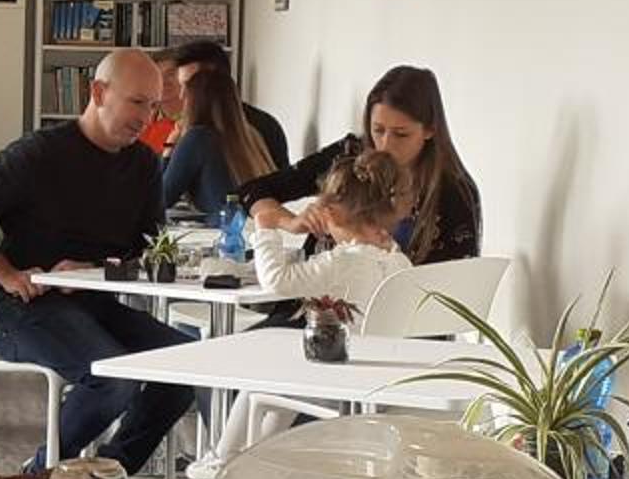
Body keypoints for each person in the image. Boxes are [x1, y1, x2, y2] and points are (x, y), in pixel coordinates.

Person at [0, 48, 197, 476]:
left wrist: (94, 271)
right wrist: (7, 274)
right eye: (137, 102)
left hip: (97, 306)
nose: (146, 118)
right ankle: (41, 475)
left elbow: (147, 251)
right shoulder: (38, 154)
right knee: (113, 380)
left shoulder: (144, 165)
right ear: (98, 93)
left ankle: (103, 475)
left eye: (153, 106)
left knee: (185, 366)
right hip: (25, 309)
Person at [238, 64, 480, 264]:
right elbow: (251, 191)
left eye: (401, 134)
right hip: (318, 300)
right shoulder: (349, 157)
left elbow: (456, 285)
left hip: (397, 307)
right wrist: (289, 222)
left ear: (429, 130)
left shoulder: (455, 190)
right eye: (378, 130)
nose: (385, 145)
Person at [242, 151, 416, 314]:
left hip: (343, 338)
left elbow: (276, 280)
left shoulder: (340, 264)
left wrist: (265, 226)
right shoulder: (401, 262)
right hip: (387, 338)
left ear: (331, 213)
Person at [161, 65, 279, 218]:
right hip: (256, 226)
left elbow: (160, 198)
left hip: (224, 229)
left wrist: (169, 146)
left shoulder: (198, 138)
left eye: (185, 98)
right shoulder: (252, 134)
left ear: (193, 103)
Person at [167, 40, 288, 170]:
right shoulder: (183, 127)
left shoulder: (263, 126)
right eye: (181, 86)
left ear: (217, 81)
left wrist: (170, 147)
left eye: (191, 86)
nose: (182, 95)